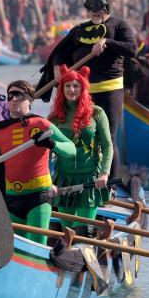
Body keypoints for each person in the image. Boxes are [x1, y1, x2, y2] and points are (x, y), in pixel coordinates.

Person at [38, 0, 136, 177]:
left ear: (106, 8)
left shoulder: (119, 25)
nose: (94, 12)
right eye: (91, 8)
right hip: (82, 94)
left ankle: (110, 184)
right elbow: (60, 53)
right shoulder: (79, 30)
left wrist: (107, 42)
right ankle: (77, 176)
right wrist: (57, 67)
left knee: (107, 137)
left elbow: (131, 48)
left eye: (99, 8)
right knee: (80, 136)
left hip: (110, 92)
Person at [0, 80, 76, 245]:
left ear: (30, 100)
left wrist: (52, 144)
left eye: (19, 95)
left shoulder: (41, 124)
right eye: (10, 95)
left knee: (36, 246)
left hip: (39, 196)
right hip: (12, 197)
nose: (13, 99)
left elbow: (71, 149)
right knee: (14, 248)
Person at [47, 65, 113, 233]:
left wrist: (104, 173)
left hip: (90, 180)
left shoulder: (97, 113)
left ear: (83, 88)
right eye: (67, 85)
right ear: (62, 88)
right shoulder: (53, 118)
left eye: (76, 85)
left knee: (83, 231)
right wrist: (47, 181)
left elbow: (107, 146)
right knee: (67, 231)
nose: (71, 89)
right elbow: (45, 152)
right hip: (63, 180)